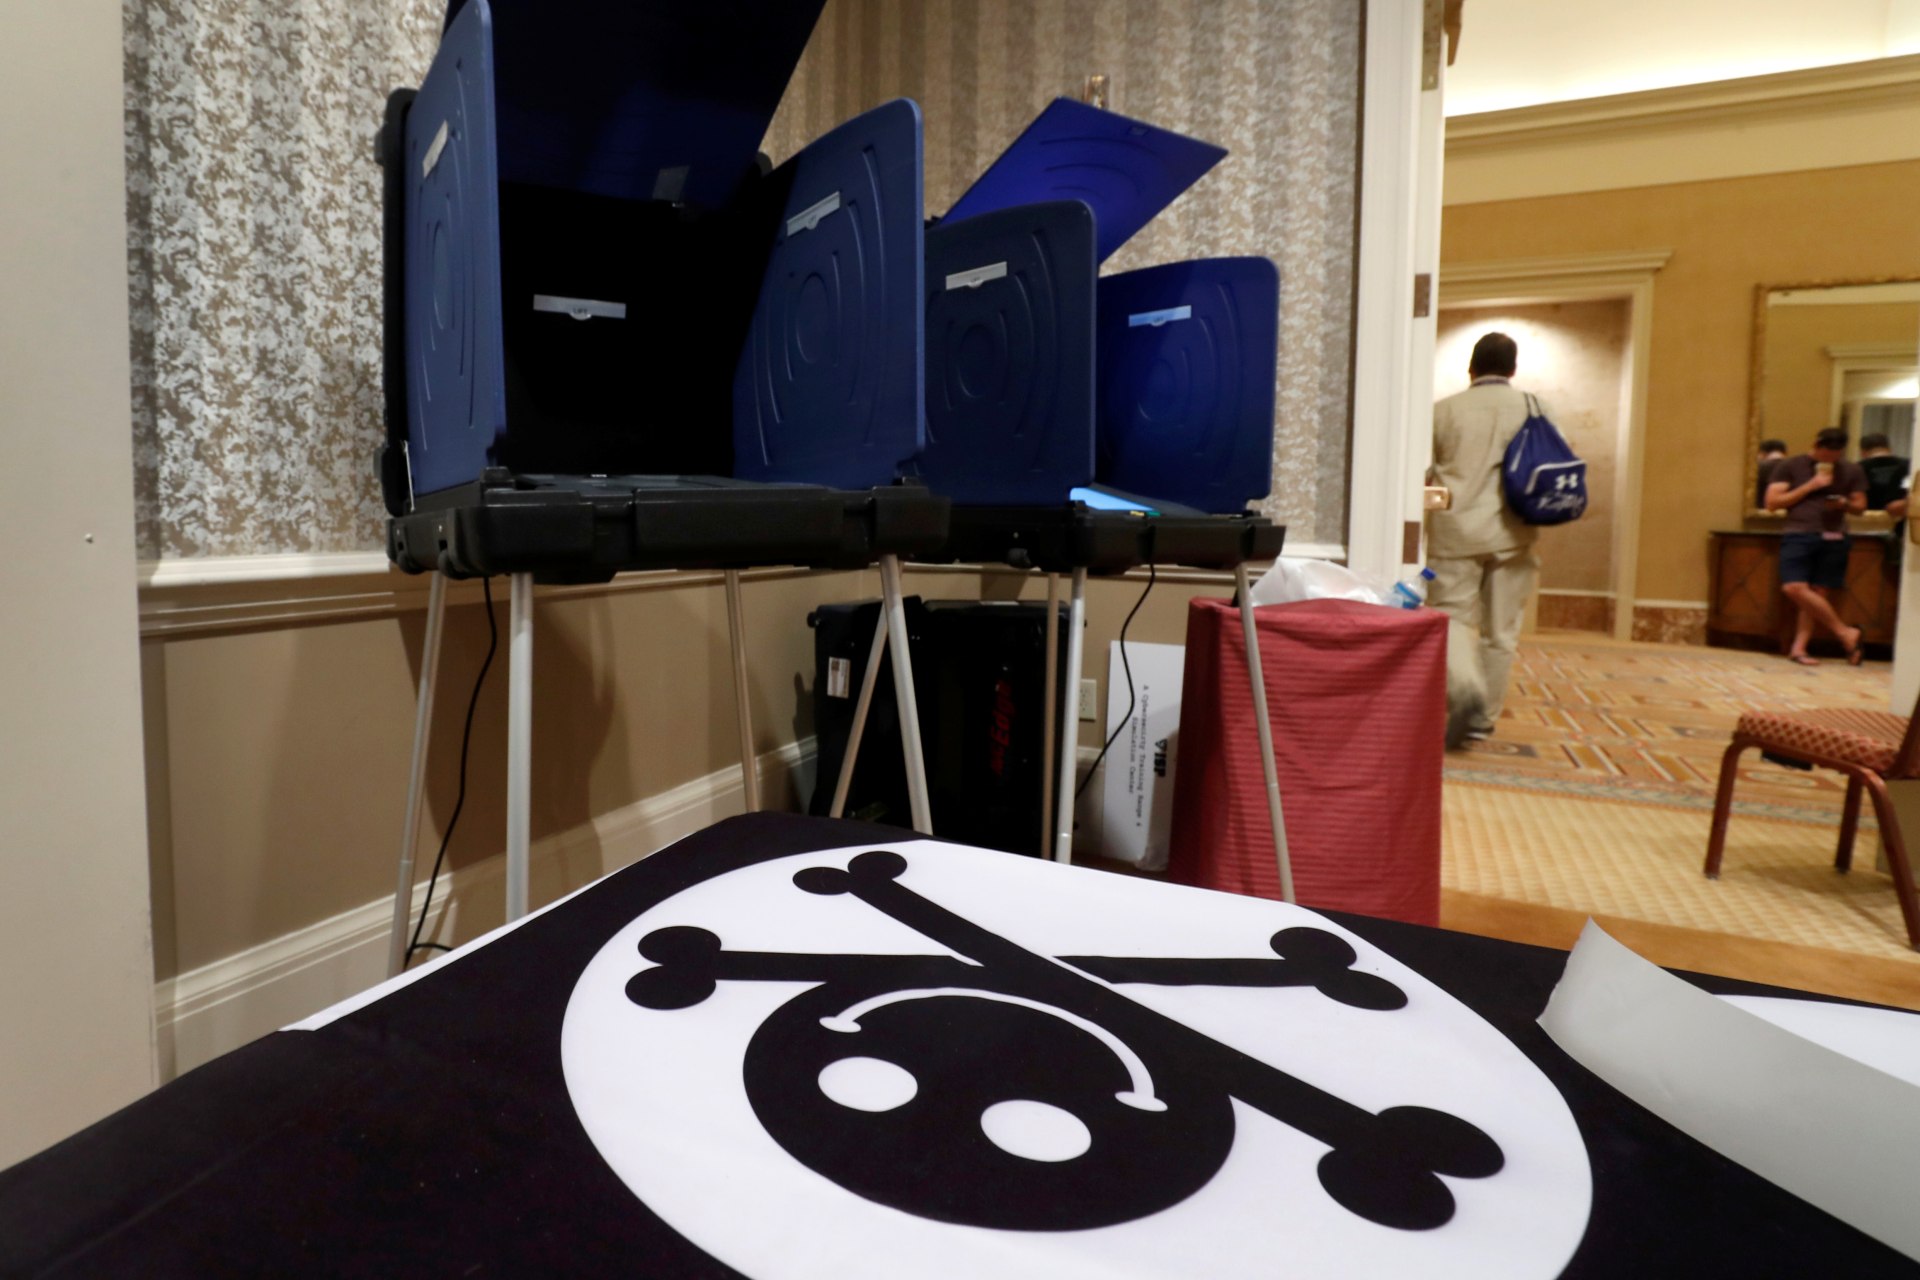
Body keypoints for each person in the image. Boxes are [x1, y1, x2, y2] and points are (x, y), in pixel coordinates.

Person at [1427, 331, 1541, 740]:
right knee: (1502, 631)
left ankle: (1465, 689)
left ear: (1471, 366)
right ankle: (1482, 719)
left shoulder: (1444, 411)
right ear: (1512, 369)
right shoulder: (1534, 407)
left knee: (1453, 617)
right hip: (1514, 531)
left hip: (1454, 532)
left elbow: (1421, 473)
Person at [1765, 426, 1867, 666]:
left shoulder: (1851, 470)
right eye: (1825, 454)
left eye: (1835, 456)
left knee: (1818, 593)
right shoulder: (1790, 466)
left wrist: (1844, 504)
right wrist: (1811, 486)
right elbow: (1772, 502)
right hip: (1799, 533)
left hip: (1835, 535)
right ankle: (1845, 633)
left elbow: (1861, 506)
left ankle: (1799, 649)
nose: (1830, 460)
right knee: (1794, 588)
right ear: (1817, 446)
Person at [1857, 432, 1909, 511]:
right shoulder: (1908, 466)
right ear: (1889, 448)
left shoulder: (1858, 468)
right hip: (1902, 519)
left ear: (1863, 452)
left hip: (1866, 519)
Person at [1755, 439, 1788, 509]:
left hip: (1761, 511)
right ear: (1785, 453)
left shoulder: (1755, 468)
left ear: (1762, 453)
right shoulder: (1795, 467)